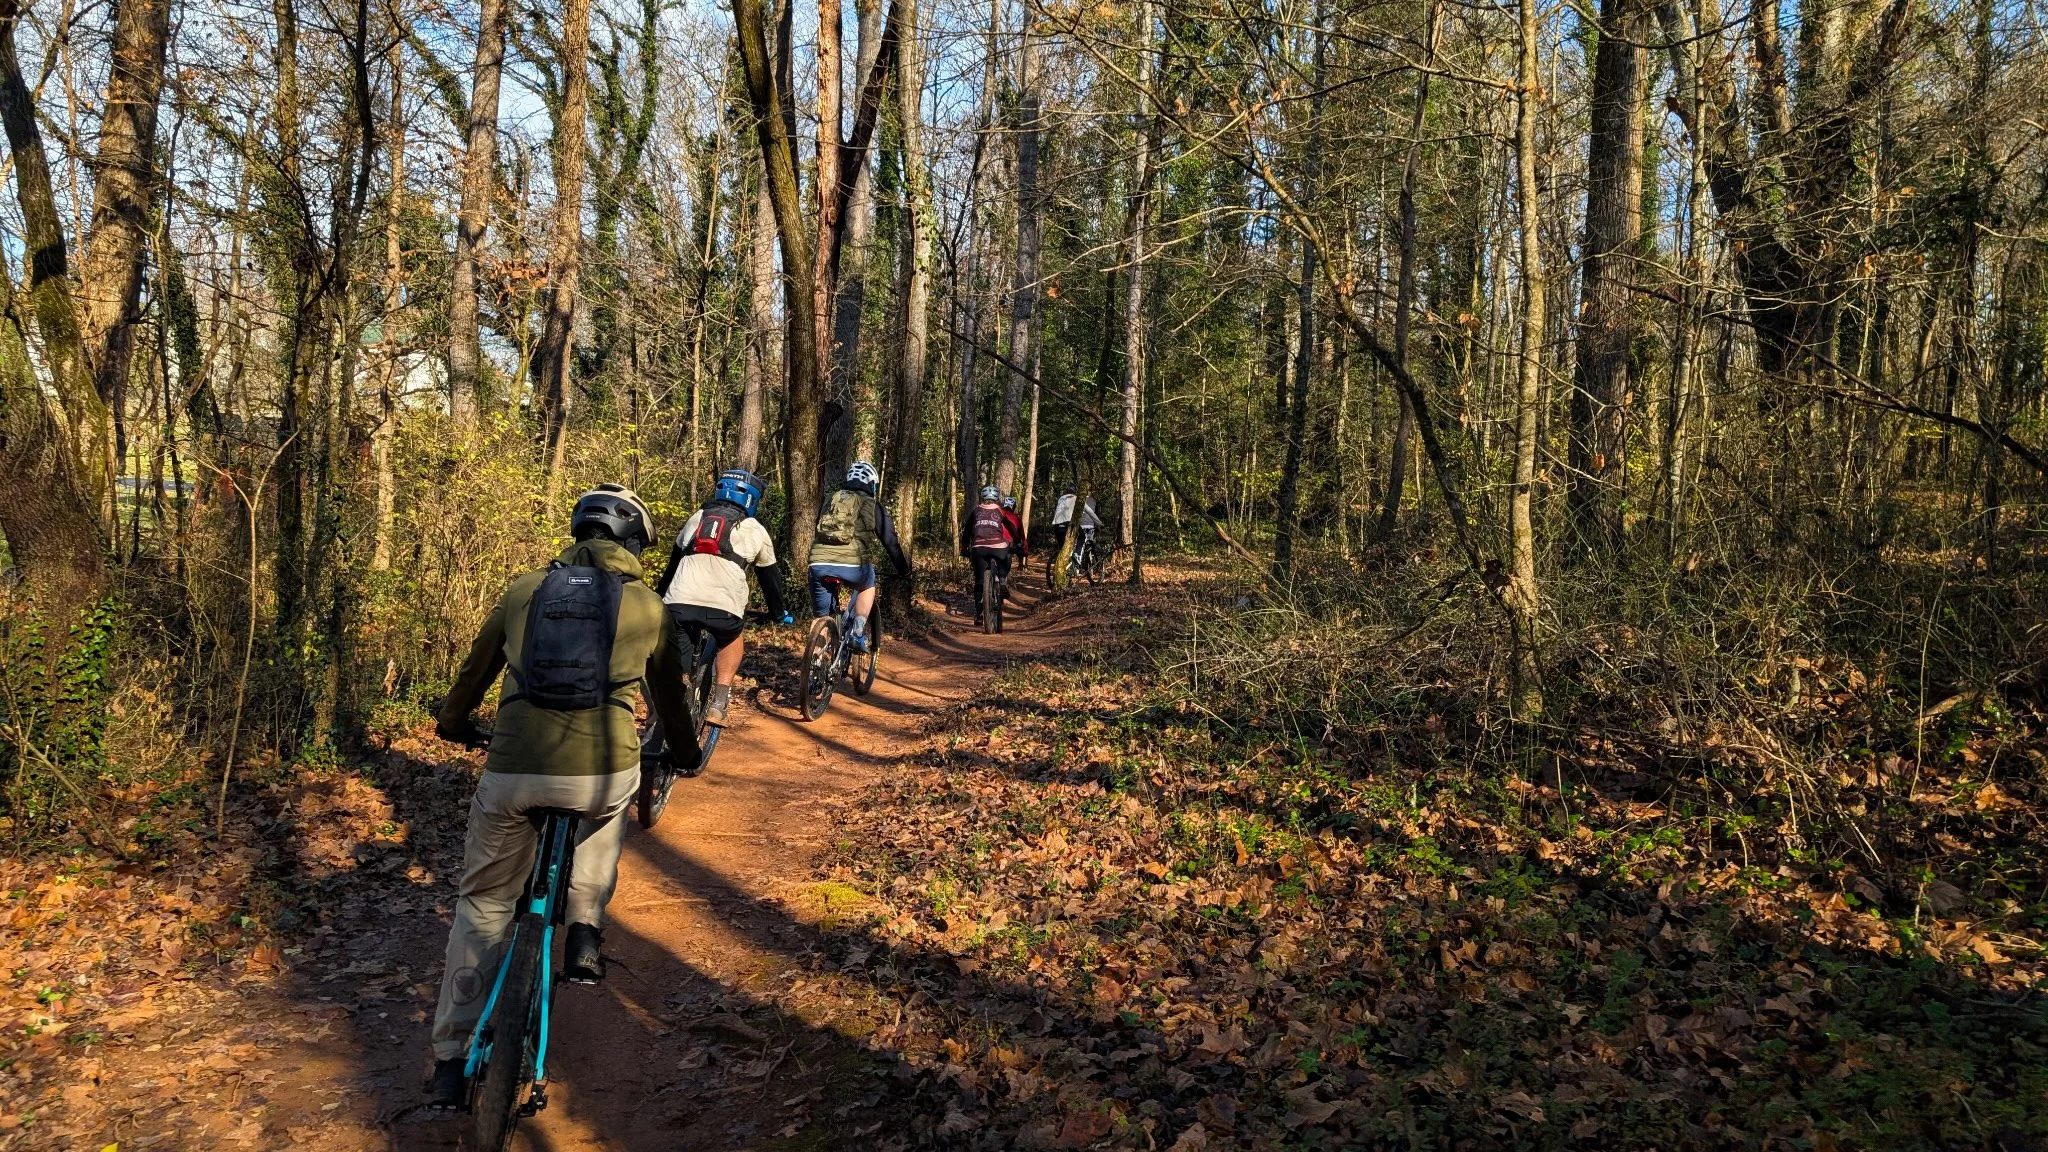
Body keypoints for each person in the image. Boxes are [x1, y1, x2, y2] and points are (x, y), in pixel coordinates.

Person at [427, 484, 700, 1109]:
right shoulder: (649, 607)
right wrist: (683, 754)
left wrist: (453, 722)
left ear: (579, 534)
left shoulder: (524, 590)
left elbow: (475, 671)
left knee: (485, 905)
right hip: (601, 774)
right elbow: (673, 699)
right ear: (634, 545)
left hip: (514, 769)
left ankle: (449, 1060)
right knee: (608, 812)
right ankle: (583, 927)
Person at [652, 468, 791, 726]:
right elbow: (770, 580)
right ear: (752, 501)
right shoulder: (755, 529)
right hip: (724, 611)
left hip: (678, 603)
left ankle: (663, 709)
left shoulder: (697, 518)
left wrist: (659, 597)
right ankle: (719, 702)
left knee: (676, 657)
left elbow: (672, 568)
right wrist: (778, 613)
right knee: (731, 636)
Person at [807, 461, 910, 652]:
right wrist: (904, 571)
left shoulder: (830, 499)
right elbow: (890, 542)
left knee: (821, 617)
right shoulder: (873, 506)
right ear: (872, 484)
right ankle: (857, 633)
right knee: (868, 584)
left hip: (818, 562)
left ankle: (814, 667)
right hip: (853, 566)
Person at [963, 485, 1019, 617]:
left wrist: (963, 547)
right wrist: (1017, 541)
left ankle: (978, 613)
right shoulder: (1000, 511)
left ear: (982, 497)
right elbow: (1010, 526)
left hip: (979, 548)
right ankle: (1003, 579)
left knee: (979, 580)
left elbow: (966, 531)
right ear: (996, 498)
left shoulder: (976, 511)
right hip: (998, 547)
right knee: (1006, 552)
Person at [999, 495, 1027, 599]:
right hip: (1008, 546)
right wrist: (1021, 560)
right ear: (1014, 507)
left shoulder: (997, 513)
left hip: (992, 542)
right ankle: (1002, 582)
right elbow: (1022, 539)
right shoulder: (1016, 519)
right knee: (1006, 566)